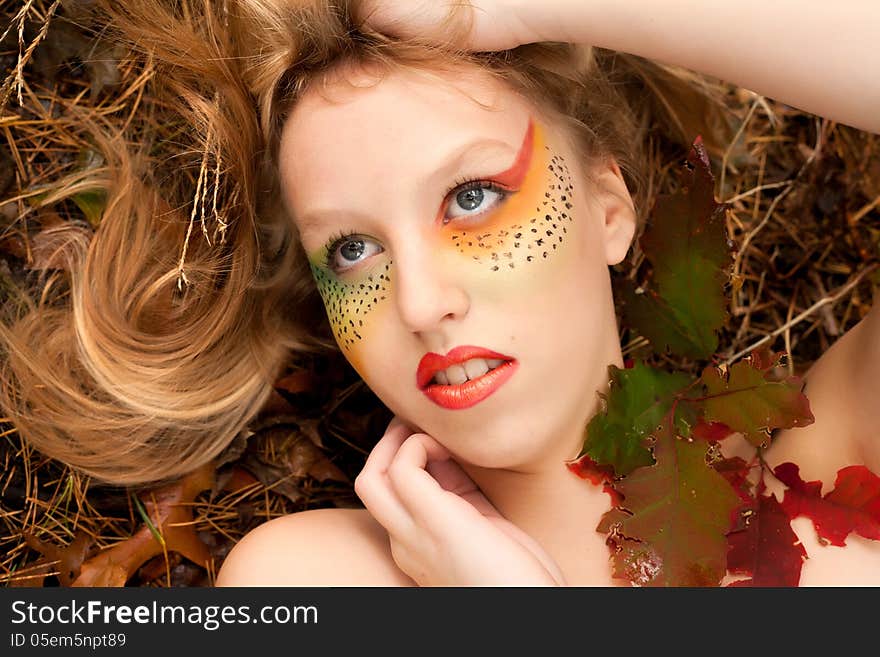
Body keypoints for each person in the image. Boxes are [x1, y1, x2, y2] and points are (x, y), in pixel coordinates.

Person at [2, 1, 877, 586]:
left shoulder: (839, 454)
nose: (419, 302)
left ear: (610, 207)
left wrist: (528, 5)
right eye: (352, 250)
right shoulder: (323, 583)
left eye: (470, 197)